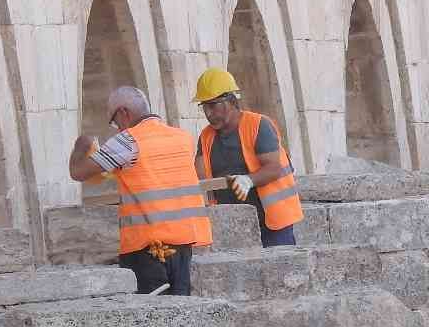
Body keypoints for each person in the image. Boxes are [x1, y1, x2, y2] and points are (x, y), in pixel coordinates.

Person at [68, 85, 210, 295]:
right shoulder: (182, 137)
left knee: (151, 318)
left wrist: (83, 144)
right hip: (183, 246)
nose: (117, 127)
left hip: (147, 250)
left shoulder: (128, 141)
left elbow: (79, 172)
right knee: (182, 314)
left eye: (114, 121)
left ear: (124, 112)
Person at [191, 68, 303, 248]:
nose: (208, 113)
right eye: (204, 107)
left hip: (272, 221)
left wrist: (248, 180)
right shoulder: (206, 136)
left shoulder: (258, 125)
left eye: (213, 105)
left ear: (230, 101)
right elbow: (199, 176)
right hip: (233, 225)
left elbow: (274, 168)